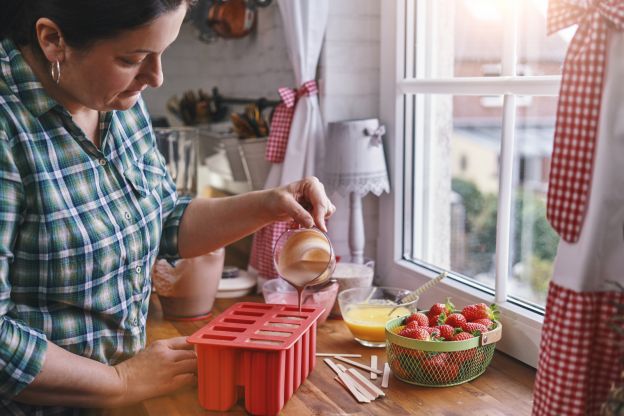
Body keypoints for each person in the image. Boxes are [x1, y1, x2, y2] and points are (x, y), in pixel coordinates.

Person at [0, 1, 336, 415]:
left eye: (162, 53)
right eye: (132, 59)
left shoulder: (115, 98)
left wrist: (269, 205)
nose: (156, 78)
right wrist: (120, 382)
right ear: (53, 40)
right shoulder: (8, 129)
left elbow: (162, 218)